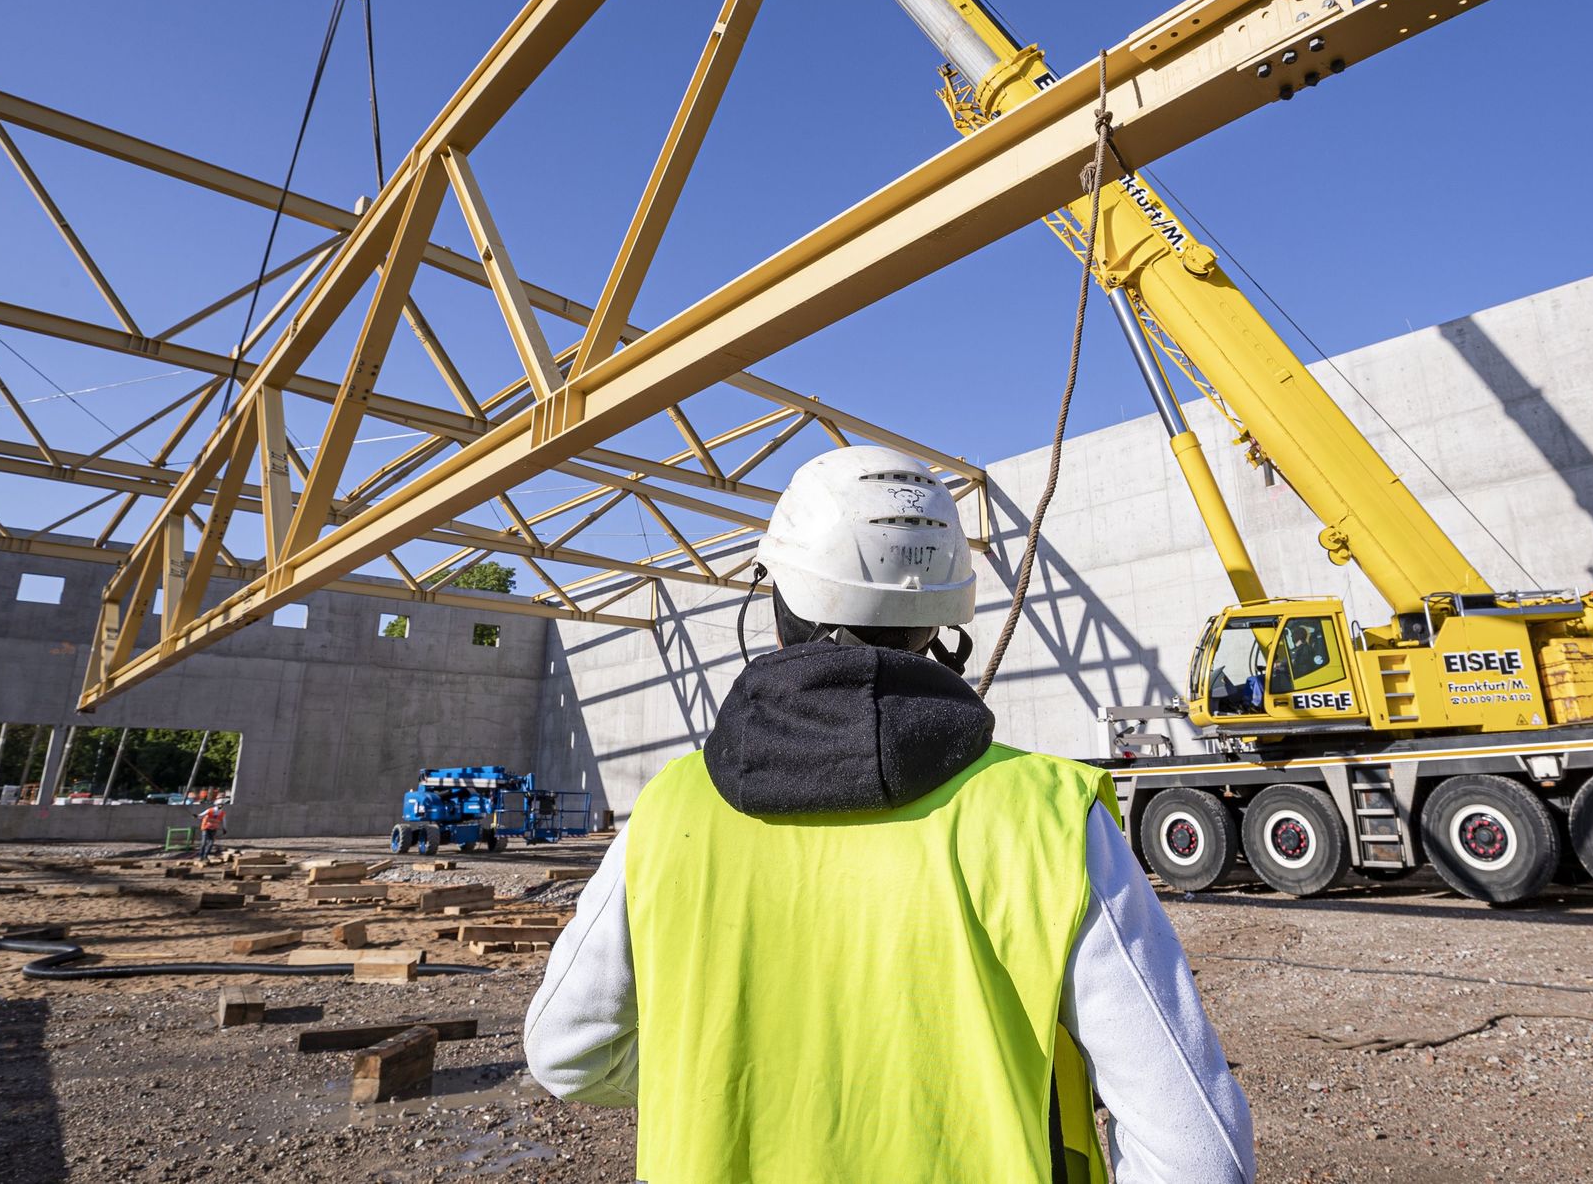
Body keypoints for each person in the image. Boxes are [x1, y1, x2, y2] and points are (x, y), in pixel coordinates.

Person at [526, 446, 1251, 1183]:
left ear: (775, 601)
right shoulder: (1046, 819)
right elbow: (1199, 1154)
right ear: (941, 622)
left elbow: (568, 1048)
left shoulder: (669, 812)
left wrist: (747, 1077)